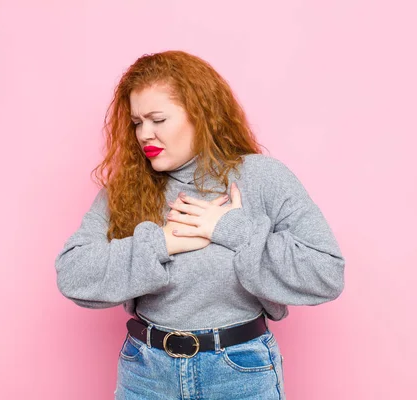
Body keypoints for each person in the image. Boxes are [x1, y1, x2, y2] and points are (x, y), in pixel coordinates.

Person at [54, 50, 345, 399]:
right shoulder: (125, 189)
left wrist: (230, 229)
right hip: (146, 374)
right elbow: (72, 274)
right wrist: (161, 243)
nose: (144, 133)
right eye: (136, 122)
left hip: (240, 373)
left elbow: (326, 272)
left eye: (157, 119)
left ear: (200, 115)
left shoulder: (261, 177)